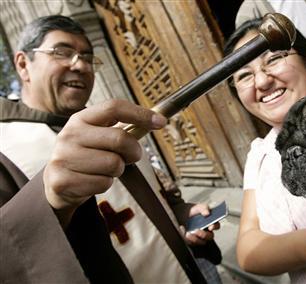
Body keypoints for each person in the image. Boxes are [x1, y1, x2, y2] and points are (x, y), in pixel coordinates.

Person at [0, 15, 222, 283]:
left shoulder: (111, 125)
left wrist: (183, 214)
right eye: (62, 52)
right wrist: (53, 202)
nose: (80, 65)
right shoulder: (6, 148)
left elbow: (154, 196)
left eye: (88, 57)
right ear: (24, 65)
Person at [223, 18, 306, 283]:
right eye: (244, 75)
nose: (262, 80)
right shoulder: (260, 155)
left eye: (274, 58)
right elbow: (248, 248)